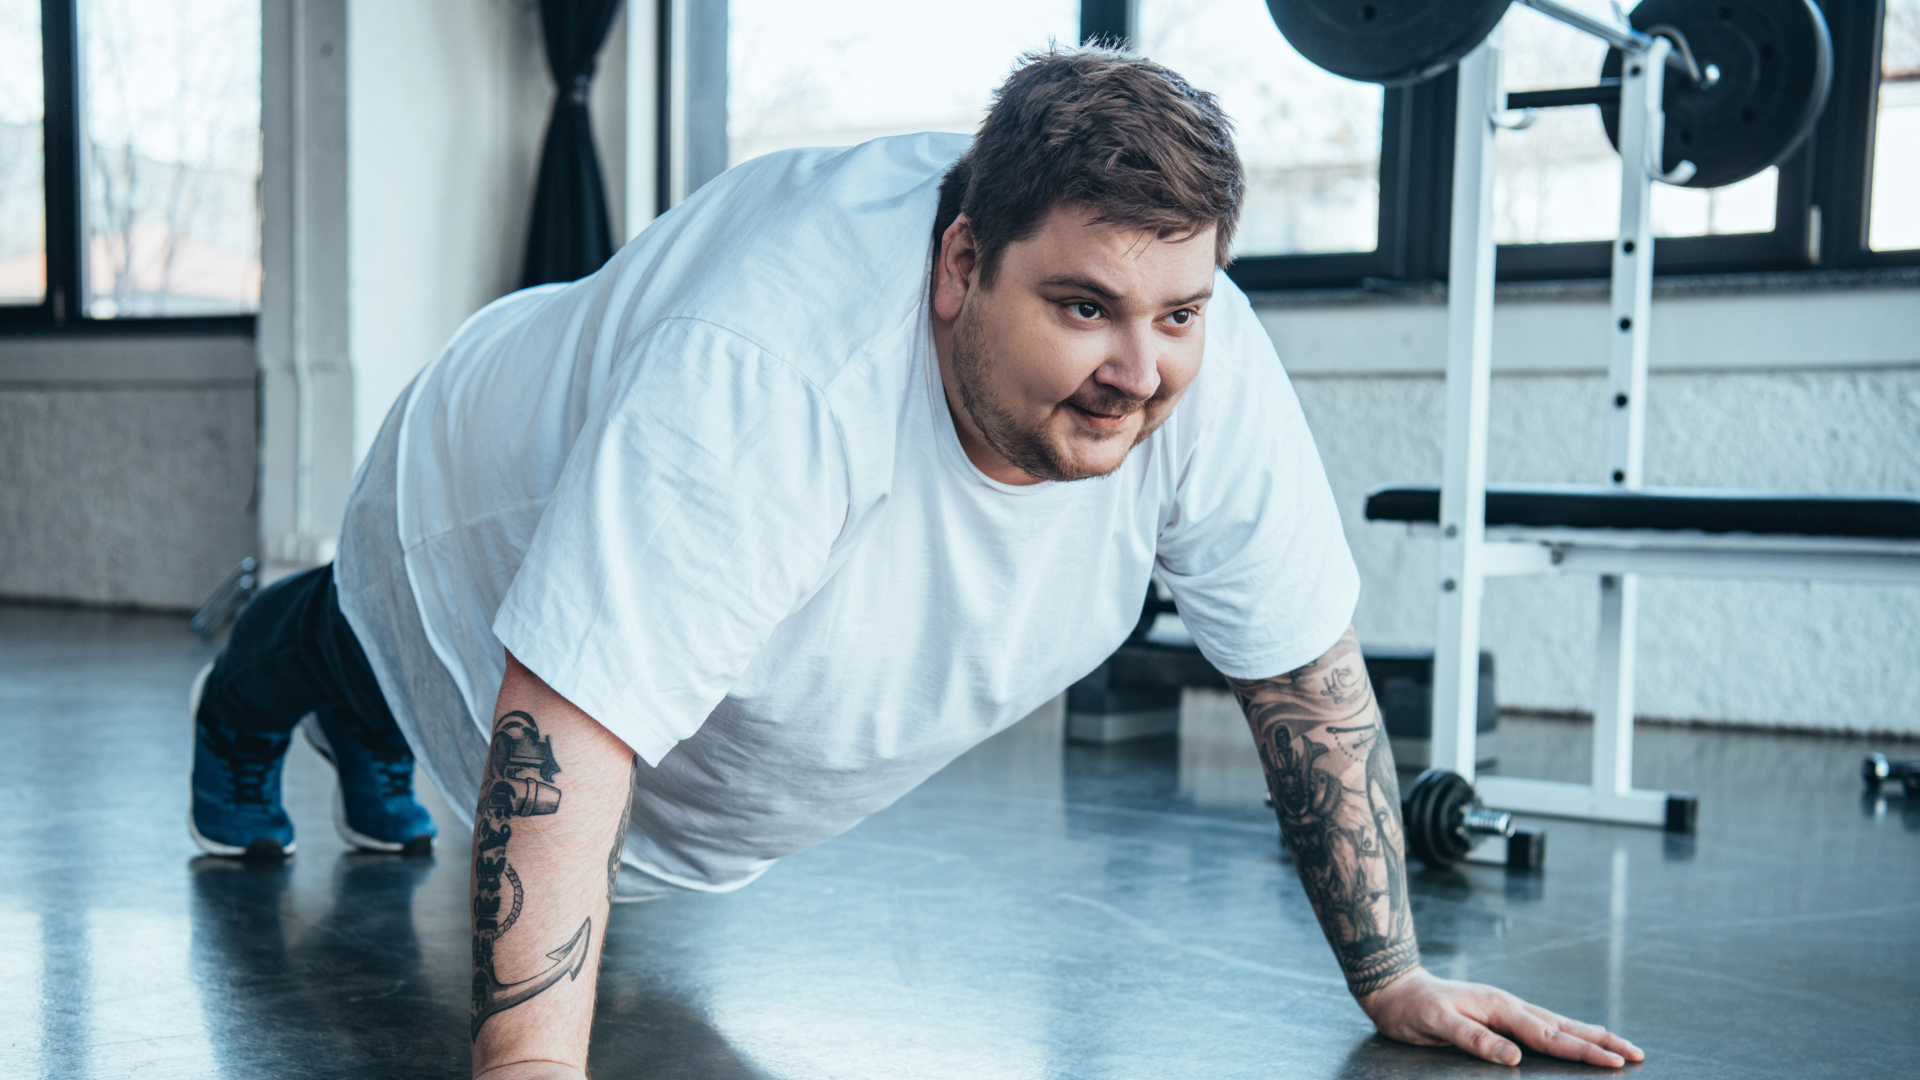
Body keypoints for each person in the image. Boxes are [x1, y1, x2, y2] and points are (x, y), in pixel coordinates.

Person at [185, 48, 1644, 1077]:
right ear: (959, 268)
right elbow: (562, 728)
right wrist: (525, 1061)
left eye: (1180, 312)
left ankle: (360, 730)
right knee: (370, 657)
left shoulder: (1205, 365)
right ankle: (261, 692)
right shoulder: (770, 376)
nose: (1142, 370)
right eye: (1083, 306)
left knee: (441, 756)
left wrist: (1393, 975)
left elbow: (1307, 693)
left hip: (688, 696)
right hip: (469, 511)